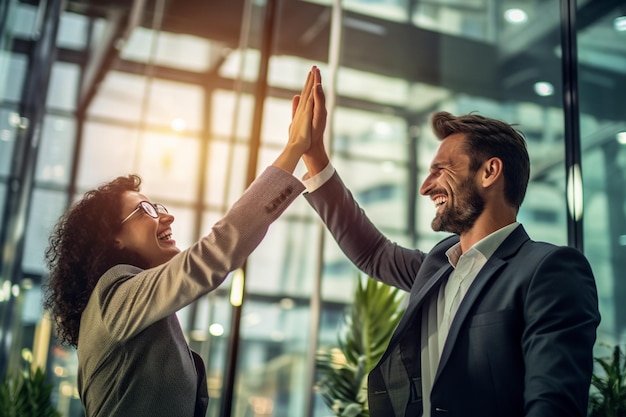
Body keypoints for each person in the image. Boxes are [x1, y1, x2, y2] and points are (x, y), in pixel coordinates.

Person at [300, 77, 600, 417]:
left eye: (440, 170)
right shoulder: (437, 267)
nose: (426, 187)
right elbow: (374, 253)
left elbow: (553, 405)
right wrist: (314, 156)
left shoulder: (549, 269)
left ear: (489, 172)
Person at [42, 66, 325, 417]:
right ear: (112, 240)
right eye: (145, 210)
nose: (167, 215)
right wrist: (294, 148)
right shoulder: (112, 295)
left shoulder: (133, 307)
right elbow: (212, 255)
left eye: (157, 206)